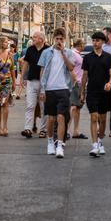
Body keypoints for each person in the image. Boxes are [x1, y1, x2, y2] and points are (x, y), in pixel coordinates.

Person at [37, 28, 75, 158]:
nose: (59, 41)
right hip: (49, 89)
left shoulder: (69, 52)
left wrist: (63, 53)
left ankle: (59, 145)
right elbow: (42, 71)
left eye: (61, 39)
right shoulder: (47, 52)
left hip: (63, 88)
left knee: (61, 117)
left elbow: (71, 67)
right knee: (51, 118)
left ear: (64, 39)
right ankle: (49, 142)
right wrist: (42, 90)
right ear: (53, 38)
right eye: (57, 39)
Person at [81, 32, 111, 157]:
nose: (95, 43)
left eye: (97, 40)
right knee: (94, 117)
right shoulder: (88, 58)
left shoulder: (108, 57)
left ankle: (100, 142)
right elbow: (84, 76)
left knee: (103, 118)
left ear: (102, 42)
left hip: (105, 92)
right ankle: (94, 145)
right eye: (93, 40)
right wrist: (81, 94)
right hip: (92, 92)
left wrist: (110, 83)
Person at [20, 32, 49, 138]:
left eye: (35, 37)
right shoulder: (30, 50)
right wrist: (22, 77)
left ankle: (43, 129)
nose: (32, 38)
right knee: (30, 105)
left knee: (44, 106)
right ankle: (27, 128)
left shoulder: (48, 50)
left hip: (45, 83)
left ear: (41, 39)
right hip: (32, 81)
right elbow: (26, 64)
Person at [67, 38, 88, 140]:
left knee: (78, 108)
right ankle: (67, 130)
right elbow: (69, 67)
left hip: (81, 83)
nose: (84, 45)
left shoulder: (79, 55)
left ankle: (76, 130)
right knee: (73, 106)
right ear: (80, 45)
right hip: (75, 83)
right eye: (83, 44)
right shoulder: (72, 54)